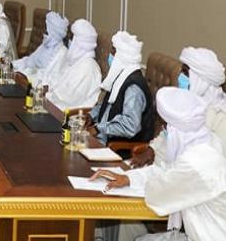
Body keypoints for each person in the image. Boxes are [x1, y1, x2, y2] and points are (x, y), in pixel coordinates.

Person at [92, 87, 226, 241]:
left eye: (164, 126)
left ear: (173, 129)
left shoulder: (196, 162)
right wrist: (128, 178)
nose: (163, 131)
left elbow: (158, 193)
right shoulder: (207, 143)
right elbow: (166, 172)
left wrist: (132, 180)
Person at [132, 47, 226, 167]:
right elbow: (167, 133)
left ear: (200, 80)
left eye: (185, 72)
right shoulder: (183, 102)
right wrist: (152, 149)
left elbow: (212, 162)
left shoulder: (220, 118)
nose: (180, 76)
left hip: (182, 173)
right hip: (157, 166)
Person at [86, 31, 153, 146]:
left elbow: (130, 125)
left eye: (113, 51)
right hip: (101, 137)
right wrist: (91, 115)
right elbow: (107, 106)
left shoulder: (134, 88)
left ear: (122, 56)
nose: (110, 55)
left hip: (117, 147)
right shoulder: (120, 76)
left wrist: (98, 129)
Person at [46, 19, 102, 109]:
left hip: (71, 112)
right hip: (59, 105)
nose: (70, 42)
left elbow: (70, 97)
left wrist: (50, 93)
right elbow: (62, 83)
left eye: (72, 39)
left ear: (79, 43)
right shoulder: (78, 62)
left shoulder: (89, 67)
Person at [13, 11, 68, 86]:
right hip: (27, 80)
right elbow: (30, 61)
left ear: (53, 32)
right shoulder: (45, 44)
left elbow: (50, 81)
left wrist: (26, 78)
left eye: (46, 29)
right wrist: (13, 64)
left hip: (38, 87)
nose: (44, 32)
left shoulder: (62, 53)